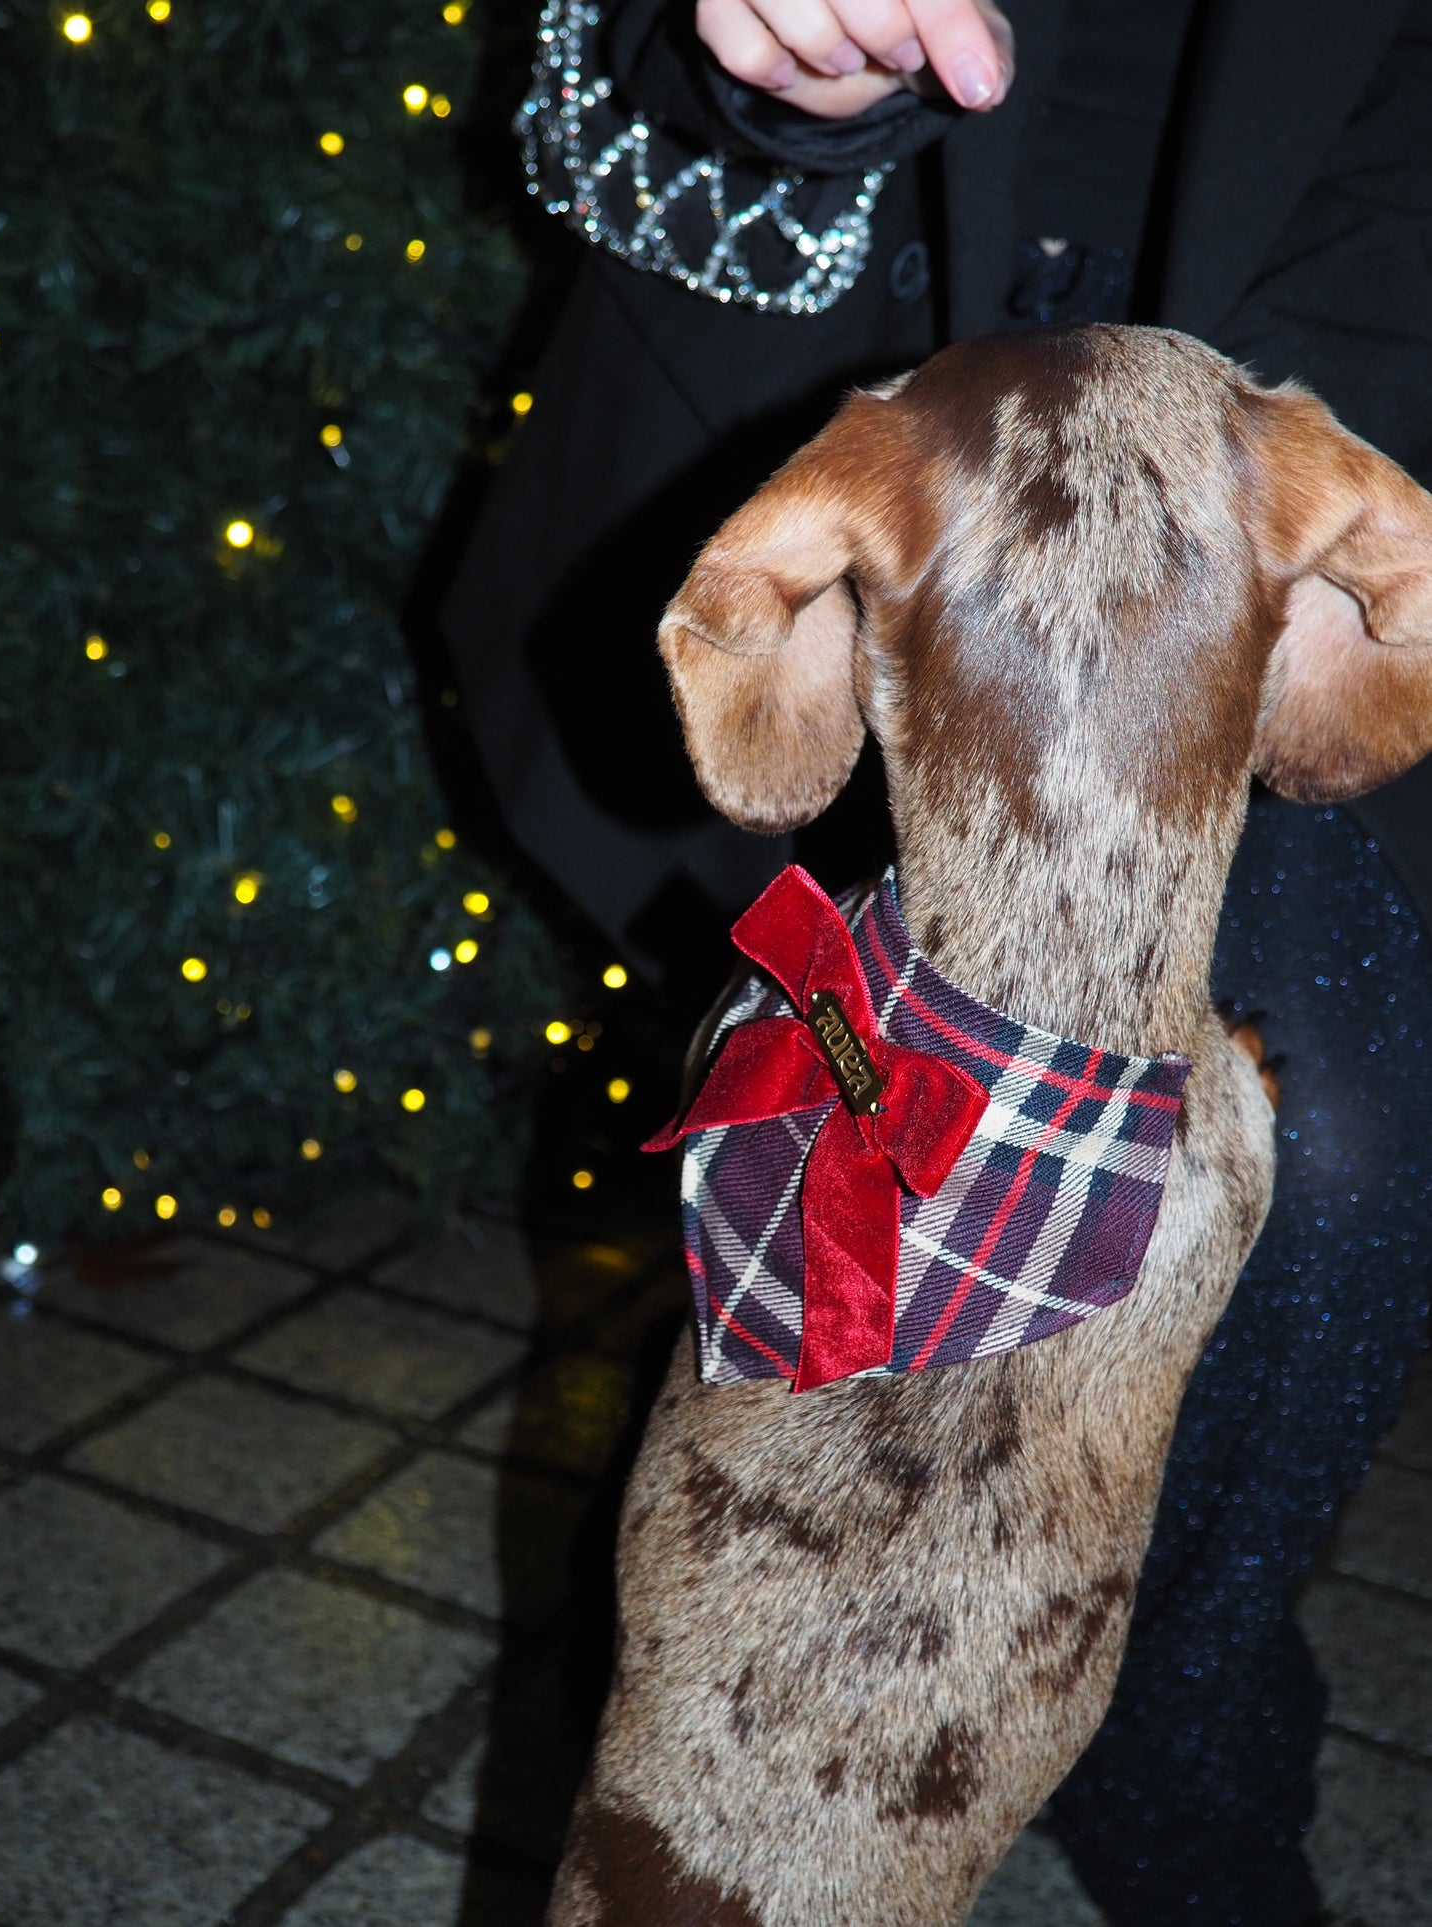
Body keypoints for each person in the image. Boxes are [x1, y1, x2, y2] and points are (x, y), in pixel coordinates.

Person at [442, 4, 1432, 1919]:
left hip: (1281, 466)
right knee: (814, 1135)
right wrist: (756, 74)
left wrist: (1278, 530)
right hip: (800, 447)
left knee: (1344, 1170)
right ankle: (700, 1671)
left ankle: (1175, 1717)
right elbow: (571, 76)